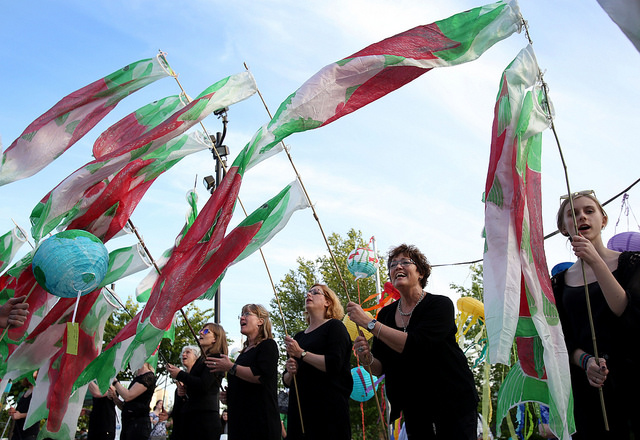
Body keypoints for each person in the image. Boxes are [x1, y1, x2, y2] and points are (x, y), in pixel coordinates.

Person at [347, 244, 479, 439]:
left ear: (421, 272)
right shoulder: (385, 314)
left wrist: (369, 323)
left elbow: (415, 345)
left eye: (405, 262)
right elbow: (379, 368)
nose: (397, 267)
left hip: (454, 401)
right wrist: (366, 358)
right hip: (414, 407)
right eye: (392, 265)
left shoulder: (440, 305)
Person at [552, 190, 640, 439]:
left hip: (631, 381)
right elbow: (562, 338)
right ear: (563, 227)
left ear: (603, 219)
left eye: (589, 211)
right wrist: (586, 361)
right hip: (587, 390)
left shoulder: (631, 263)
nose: (581, 217)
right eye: (572, 214)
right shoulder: (559, 283)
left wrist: (596, 262)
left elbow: (630, 314)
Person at [283, 284, 352, 440]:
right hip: (300, 413)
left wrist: (301, 353)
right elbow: (287, 381)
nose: (309, 294)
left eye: (315, 292)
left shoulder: (335, 327)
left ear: (327, 301)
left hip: (327, 412)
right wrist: (290, 371)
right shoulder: (298, 337)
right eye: (308, 292)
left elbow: (334, 364)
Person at [207, 304, 280, 440]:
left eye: (247, 314)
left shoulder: (268, 345)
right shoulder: (243, 354)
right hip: (240, 424)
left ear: (260, 321)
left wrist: (231, 367)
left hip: (260, 423)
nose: (242, 317)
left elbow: (261, 376)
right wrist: (230, 395)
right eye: (241, 314)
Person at [167, 323, 227, 440]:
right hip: (193, 418)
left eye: (206, 332)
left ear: (215, 339)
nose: (200, 333)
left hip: (205, 420)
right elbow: (195, 385)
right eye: (201, 330)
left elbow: (203, 384)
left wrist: (180, 374)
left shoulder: (216, 358)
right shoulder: (201, 360)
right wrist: (184, 390)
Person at [112, 362, 157, 440]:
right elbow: (127, 406)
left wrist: (115, 381)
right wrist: (115, 398)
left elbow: (128, 396)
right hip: (128, 425)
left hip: (138, 426)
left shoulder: (148, 377)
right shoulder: (137, 379)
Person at [168, 346, 200, 440]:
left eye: (188, 352)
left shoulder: (198, 379)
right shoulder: (180, 381)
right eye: (183, 352)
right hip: (178, 431)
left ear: (196, 357)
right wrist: (169, 414)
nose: (184, 354)